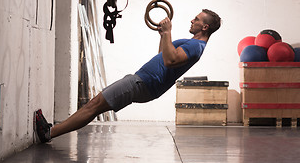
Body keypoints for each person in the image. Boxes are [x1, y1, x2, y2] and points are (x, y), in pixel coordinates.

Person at [35, 9, 221, 143]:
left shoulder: (196, 47)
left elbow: (170, 61)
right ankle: (51, 131)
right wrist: (163, 36)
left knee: (94, 105)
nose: (191, 20)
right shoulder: (192, 43)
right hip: (142, 81)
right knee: (96, 106)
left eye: (196, 19)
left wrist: (168, 32)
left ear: (204, 26)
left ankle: (49, 133)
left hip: (144, 83)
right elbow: (163, 55)